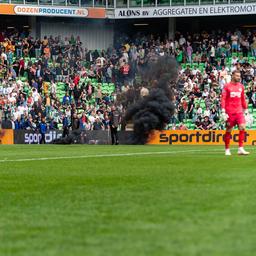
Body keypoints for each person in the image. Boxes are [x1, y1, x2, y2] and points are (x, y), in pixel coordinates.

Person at [221, 70, 249, 156]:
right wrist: (223, 110)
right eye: (237, 76)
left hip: (239, 111)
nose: (238, 77)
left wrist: (246, 109)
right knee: (229, 129)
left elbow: (243, 99)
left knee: (242, 127)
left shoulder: (241, 86)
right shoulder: (227, 86)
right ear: (232, 76)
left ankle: (240, 148)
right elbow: (223, 98)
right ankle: (227, 149)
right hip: (230, 112)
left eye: (239, 76)